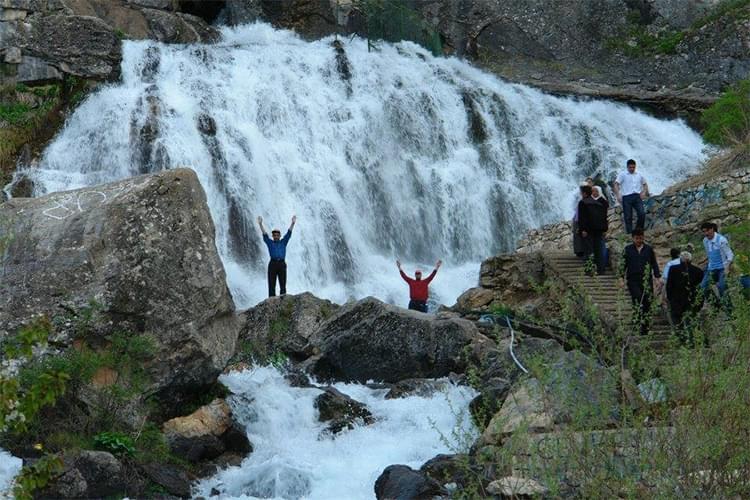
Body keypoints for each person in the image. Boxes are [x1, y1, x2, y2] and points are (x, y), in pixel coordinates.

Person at [621, 228, 661, 334]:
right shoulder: (628, 249)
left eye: (641, 238)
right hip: (633, 280)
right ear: (633, 238)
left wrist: (657, 278)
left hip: (646, 280)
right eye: (637, 238)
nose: (639, 240)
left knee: (647, 302)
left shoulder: (648, 249)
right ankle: (637, 321)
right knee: (638, 298)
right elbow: (622, 265)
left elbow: (654, 264)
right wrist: (621, 278)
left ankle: (645, 328)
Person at [666, 251, 704, 343]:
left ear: (680, 260)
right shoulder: (698, 271)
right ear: (691, 260)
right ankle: (692, 341)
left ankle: (682, 339)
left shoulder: (673, 269)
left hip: (676, 300)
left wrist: (669, 298)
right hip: (691, 300)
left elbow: (669, 285)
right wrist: (700, 302)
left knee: (677, 320)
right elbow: (700, 288)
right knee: (691, 320)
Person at [257, 215, 296, 297]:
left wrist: (293, 223)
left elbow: (288, 234)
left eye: (277, 235)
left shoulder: (283, 242)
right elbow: (265, 235)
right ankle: (271, 302)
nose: (276, 236)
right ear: (273, 236)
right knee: (271, 284)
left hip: (282, 264)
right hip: (272, 264)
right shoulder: (270, 243)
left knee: (283, 284)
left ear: (280, 236)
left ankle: (284, 301)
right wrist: (260, 224)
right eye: (274, 235)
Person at [700, 221, 734, 308]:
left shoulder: (721, 240)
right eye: (704, 232)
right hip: (712, 268)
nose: (706, 233)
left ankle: (729, 310)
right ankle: (716, 305)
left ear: (712, 229)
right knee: (703, 286)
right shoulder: (705, 241)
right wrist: (707, 262)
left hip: (722, 267)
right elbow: (709, 253)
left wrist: (727, 268)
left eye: (707, 231)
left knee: (722, 287)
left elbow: (730, 255)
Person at [577, 185, 608, 275]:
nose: (580, 194)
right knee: (598, 250)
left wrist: (582, 229)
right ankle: (601, 270)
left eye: (581, 192)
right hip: (598, 230)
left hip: (588, 231)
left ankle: (589, 270)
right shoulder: (598, 203)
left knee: (588, 250)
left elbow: (582, 218)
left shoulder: (583, 202)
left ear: (584, 193)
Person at [614, 159, 649, 235]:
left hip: (637, 196)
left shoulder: (639, 174)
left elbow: (645, 184)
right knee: (628, 216)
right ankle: (629, 233)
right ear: (627, 167)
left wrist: (644, 192)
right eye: (630, 167)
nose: (632, 169)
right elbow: (616, 184)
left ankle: (638, 230)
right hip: (626, 197)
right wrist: (618, 195)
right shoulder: (623, 174)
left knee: (642, 213)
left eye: (633, 167)